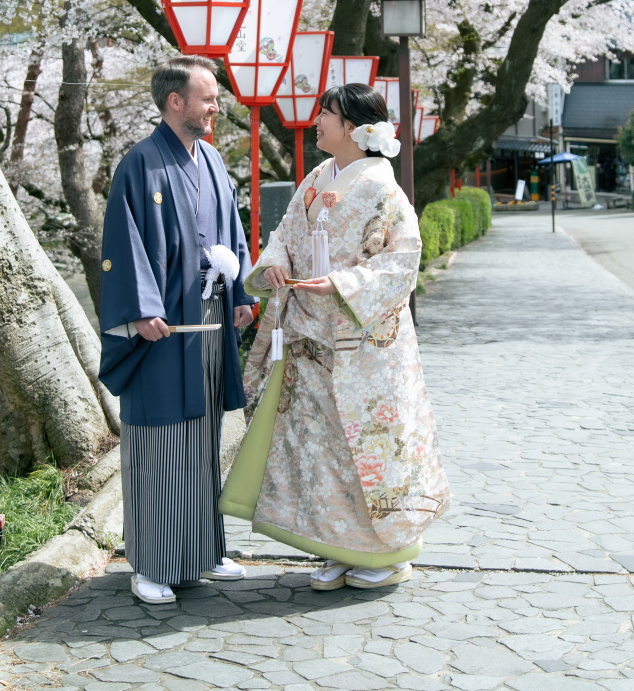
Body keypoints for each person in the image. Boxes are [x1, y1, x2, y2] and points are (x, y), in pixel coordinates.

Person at [220, 83, 450, 591]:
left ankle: (385, 553)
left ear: (352, 127)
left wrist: (344, 284)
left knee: (362, 448)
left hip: (361, 347)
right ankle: (335, 546)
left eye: (326, 113)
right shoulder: (317, 177)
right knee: (319, 447)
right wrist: (276, 265)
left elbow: (400, 263)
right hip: (307, 335)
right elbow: (284, 235)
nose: (317, 120)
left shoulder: (384, 190)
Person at [98, 55, 256, 605]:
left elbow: (233, 234)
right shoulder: (139, 165)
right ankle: (151, 563)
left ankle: (203, 552)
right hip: (161, 331)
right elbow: (123, 244)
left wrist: (240, 294)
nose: (217, 107)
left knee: (203, 441)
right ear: (176, 102)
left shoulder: (211, 159)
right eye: (208, 98)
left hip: (207, 325)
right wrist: (139, 310)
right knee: (160, 443)